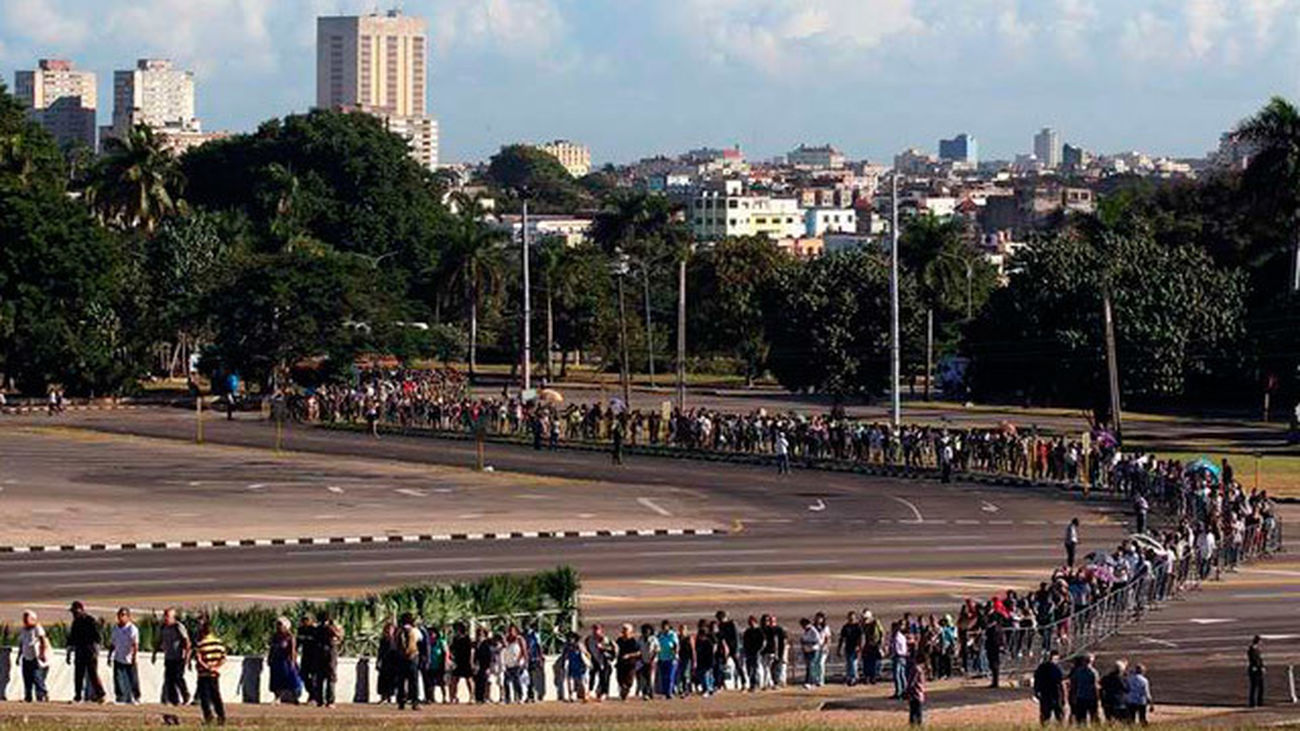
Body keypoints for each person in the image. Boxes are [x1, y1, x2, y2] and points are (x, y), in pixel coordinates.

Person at [67, 601, 105, 703]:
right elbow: (72, 638)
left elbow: (97, 636)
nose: (74, 614)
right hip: (79, 650)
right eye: (73, 612)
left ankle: (100, 694)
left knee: (93, 673)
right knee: (78, 674)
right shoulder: (75, 622)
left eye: (75, 611)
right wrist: (69, 652)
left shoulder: (90, 620)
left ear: (81, 610)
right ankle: (78, 696)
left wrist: (96, 650)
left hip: (90, 649)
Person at [153, 608, 191, 707]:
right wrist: (154, 654)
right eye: (165, 616)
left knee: (178, 678)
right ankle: (173, 700)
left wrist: (187, 657)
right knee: (169, 679)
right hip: (169, 657)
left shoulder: (178, 627)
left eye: (168, 616)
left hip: (179, 657)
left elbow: (187, 642)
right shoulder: (163, 627)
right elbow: (159, 641)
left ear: (173, 617)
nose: (165, 618)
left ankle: (186, 695)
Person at [194, 617, 228, 725]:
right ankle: (221, 716)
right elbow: (223, 658)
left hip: (204, 674)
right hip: (214, 674)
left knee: (204, 697)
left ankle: (208, 717)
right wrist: (215, 667)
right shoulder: (218, 643)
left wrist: (207, 667)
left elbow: (199, 659)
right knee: (216, 696)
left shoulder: (201, 644)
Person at [110, 607, 141, 705]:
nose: (121, 617)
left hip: (129, 659)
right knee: (118, 679)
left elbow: (135, 644)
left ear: (128, 617)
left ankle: (136, 697)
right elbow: (113, 643)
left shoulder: (132, 629)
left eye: (123, 615)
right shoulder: (115, 628)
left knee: (133, 679)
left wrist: (133, 656)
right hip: (118, 657)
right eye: (119, 615)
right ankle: (120, 697)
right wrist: (110, 655)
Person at [267, 617, 301, 704]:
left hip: (287, 661)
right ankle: (277, 697)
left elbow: (293, 650)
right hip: (277, 660)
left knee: (291, 679)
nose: (278, 627)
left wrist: (292, 661)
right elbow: (272, 648)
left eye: (280, 625)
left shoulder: (290, 637)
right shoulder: (275, 637)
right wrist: (269, 658)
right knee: (276, 680)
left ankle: (295, 697)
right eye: (277, 625)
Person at [17, 610, 49, 702]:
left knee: (36, 677)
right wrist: (19, 656)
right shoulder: (23, 630)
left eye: (26, 618)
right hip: (26, 657)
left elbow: (43, 641)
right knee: (27, 678)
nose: (24, 620)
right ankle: (28, 696)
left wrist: (42, 653)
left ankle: (43, 694)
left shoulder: (37, 628)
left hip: (35, 657)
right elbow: (22, 644)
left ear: (33, 619)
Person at [316, 613, 344, 708]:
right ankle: (321, 700)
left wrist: (334, 630)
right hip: (322, 653)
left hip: (329, 653)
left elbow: (339, 637)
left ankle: (329, 700)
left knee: (330, 677)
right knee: (321, 677)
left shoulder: (332, 628)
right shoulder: (320, 629)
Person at [1033, 650, 1066, 725]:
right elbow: (1059, 682)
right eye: (1056, 659)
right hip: (1054, 694)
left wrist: (1036, 691)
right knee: (1058, 715)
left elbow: (1037, 680)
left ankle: (1045, 726)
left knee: (1045, 714)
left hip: (1045, 694)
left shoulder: (1041, 667)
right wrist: (1062, 696)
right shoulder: (1056, 669)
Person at [1068, 654, 1100, 725]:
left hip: (1081, 697)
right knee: (1093, 717)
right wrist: (1098, 697)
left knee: (1081, 719)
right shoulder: (1093, 672)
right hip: (1091, 697)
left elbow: (1073, 684)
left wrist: (1073, 696)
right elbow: (1096, 686)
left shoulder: (1078, 672)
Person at [501, 624, 528, 704]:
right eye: (509, 631)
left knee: (517, 681)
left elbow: (524, 650)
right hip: (509, 663)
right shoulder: (507, 639)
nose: (510, 632)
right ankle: (508, 698)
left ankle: (520, 697)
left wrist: (523, 661)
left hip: (517, 663)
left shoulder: (519, 639)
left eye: (512, 631)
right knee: (506, 681)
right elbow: (504, 649)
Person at [422, 625, 449, 705]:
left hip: (439, 665)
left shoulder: (441, 641)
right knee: (430, 682)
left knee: (441, 682)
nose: (431, 635)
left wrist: (445, 663)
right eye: (429, 634)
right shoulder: (427, 643)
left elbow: (446, 652)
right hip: (430, 665)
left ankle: (444, 697)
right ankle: (431, 697)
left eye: (432, 633)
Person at [449, 621, 475, 704]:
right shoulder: (455, 639)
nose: (457, 630)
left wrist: (471, 661)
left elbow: (471, 650)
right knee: (454, 679)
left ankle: (472, 697)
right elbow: (451, 649)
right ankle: (453, 697)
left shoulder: (467, 638)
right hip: (458, 661)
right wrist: (452, 658)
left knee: (469, 679)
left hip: (466, 661)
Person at [837, 611, 863, 687]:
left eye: (852, 618)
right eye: (850, 618)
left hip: (855, 648)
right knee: (849, 663)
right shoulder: (845, 627)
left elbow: (861, 637)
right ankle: (849, 677)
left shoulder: (858, 627)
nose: (851, 619)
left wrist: (859, 646)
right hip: (848, 647)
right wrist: (839, 648)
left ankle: (854, 677)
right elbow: (842, 638)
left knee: (853, 663)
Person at [614, 624, 639, 700]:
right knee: (620, 679)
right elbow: (615, 649)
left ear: (630, 631)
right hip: (620, 663)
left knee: (629, 680)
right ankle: (623, 691)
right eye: (623, 629)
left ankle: (625, 691)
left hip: (630, 663)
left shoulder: (633, 641)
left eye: (626, 630)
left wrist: (629, 655)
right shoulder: (619, 640)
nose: (624, 631)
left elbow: (638, 652)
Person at [657, 620, 680, 699]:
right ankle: (665, 692)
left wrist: (675, 654)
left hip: (671, 658)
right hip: (662, 658)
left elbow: (676, 645)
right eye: (662, 626)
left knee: (670, 676)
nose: (664, 628)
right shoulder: (660, 635)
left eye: (665, 626)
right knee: (663, 676)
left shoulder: (672, 634)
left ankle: (670, 692)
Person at [741, 616, 765, 692]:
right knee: (749, 668)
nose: (750, 624)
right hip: (748, 652)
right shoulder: (747, 631)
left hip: (756, 652)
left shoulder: (759, 631)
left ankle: (755, 684)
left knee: (755, 669)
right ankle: (752, 683)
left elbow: (763, 642)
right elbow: (744, 641)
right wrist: (745, 650)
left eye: (751, 622)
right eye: (749, 623)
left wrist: (759, 650)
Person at [905, 654, 927, 726]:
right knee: (917, 711)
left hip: (915, 693)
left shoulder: (916, 669)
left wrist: (907, 690)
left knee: (914, 711)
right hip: (917, 693)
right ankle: (918, 724)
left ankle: (914, 724)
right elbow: (913, 681)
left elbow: (911, 681)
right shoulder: (918, 670)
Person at [985, 617, 1004, 688]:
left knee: (994, 664)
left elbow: (994, 639)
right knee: (994, 664)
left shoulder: (993, 629)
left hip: (993, 648)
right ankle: (995, 681)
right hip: (994, 647)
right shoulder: (998, 628)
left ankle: (995, 682)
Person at [1247, 635, 1265, 707]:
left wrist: (1262, 666)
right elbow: (1254, 660)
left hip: (1258, 669)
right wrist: (1258, 666)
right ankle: (1252, 703)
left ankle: (1259, 702)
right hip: (1254, 670)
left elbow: (1260, 660)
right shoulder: (1252, 650)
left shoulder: (1257, 649)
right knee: (1254, 686)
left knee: (1260, 686)